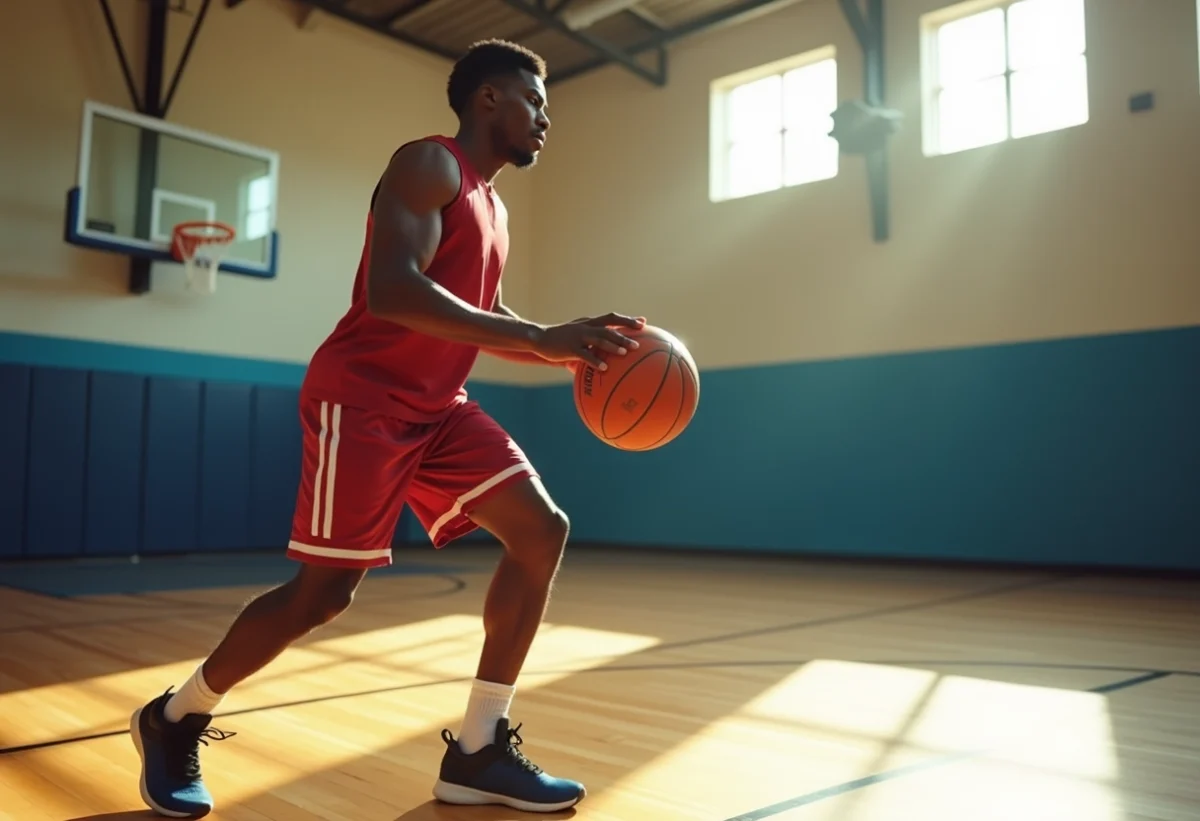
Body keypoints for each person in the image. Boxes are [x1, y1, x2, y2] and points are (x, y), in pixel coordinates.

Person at [129, 39, 644, 818]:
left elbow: (480, 312)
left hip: (439, 407)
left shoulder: (495, 207)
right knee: (322, 596)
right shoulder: (430, 163)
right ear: (489, 98)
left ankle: (478, 749)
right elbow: (394, 292)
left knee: (541, 530)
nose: (545, 118)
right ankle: (175, 716)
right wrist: (540, 337)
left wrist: (563, 348)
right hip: (364, 399)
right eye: (534, 101)